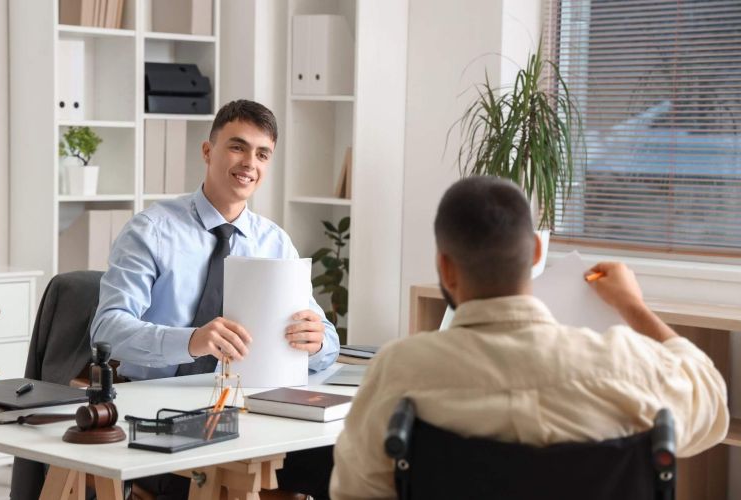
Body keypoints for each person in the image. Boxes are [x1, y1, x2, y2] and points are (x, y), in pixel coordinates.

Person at [330, 176, 729, 499]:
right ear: (537, 251)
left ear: (445, 266)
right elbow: (710, 402)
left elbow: (354, 490)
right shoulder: (627, 364)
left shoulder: (401, 369)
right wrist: (633, 306)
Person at [91, 100, 339, 499]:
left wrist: (319, 340)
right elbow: (107, 328)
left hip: (257, 414)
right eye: (238, 147)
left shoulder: (276, 243)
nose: (249, 163)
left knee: (343, 462)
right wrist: (191, 341)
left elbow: (327, 339)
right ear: (208, 152)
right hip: (167, 415)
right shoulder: (151, 231)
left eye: (262, 154)